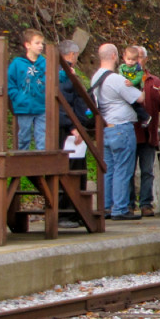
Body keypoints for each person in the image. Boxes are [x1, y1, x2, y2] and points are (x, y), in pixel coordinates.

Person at [90, 44, 144, 221]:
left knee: (109, 169)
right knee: (123, 169)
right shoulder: (116, 79)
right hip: (121, 127)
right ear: (114, 56)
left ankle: (106, 206)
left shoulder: (95, 77)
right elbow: (139, 97)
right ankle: (120, 208)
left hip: (105, 127)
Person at [57, 40, 93, 229]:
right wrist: (72, 126)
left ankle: (76, 211)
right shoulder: (62, 75)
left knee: (77, 169)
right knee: (69, 170)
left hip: (74, 126)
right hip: (67, 130)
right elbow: (63, 103)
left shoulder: (66, 73)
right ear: (71, 55)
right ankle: (65, 212)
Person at [129, 45, 160, 217]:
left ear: (146, 59)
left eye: (140, 57)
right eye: (134, 58)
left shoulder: (154, 81)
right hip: (130, 133)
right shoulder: (123, 79)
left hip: (149, 134)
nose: (137, 61)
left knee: (147, 170)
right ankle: (128, 204)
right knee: (128, 170)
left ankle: (146, 204)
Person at [8, 29, 47, 150]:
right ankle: (21, 165)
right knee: (23, 138)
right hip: (24, 106)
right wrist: (17, 97)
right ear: (27, 45)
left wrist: (66, 74)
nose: (40, 46)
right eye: (37, 43)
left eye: (42, 43)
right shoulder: (17, 63)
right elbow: (10, 81)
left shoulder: (45, 62)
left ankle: (41, 166)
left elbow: (55, 77)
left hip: (41, 106)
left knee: (42, 139)